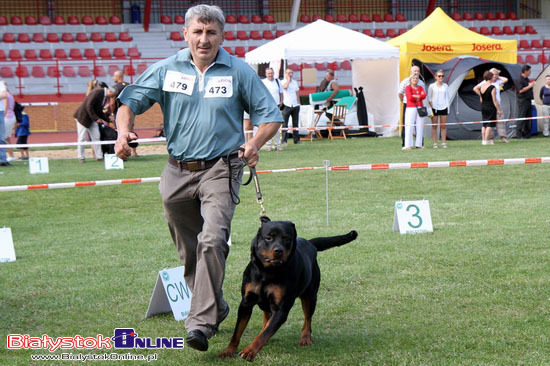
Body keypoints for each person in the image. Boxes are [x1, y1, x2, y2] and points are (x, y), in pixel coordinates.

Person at [114, 4, 282, 352]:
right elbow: (128, 101)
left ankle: (200, 323)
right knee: (190, 248)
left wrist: (254, 142)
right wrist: (123, 132)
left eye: (211, 33)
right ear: (185, 34)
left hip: (222, 168)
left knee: (212, 239)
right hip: (176, 171)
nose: (204, 39)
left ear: (222, 35)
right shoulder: (167, 69)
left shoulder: (239, 72)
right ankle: (217, 305)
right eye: (198, 32)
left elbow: (270, 117)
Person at [74, 84, 117, 163]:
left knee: (96, 137)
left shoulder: (104, 96)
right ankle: (81, 157)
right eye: (112, 95)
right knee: (82, 138)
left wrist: (108, 120)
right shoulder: (97, 92)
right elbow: (89, 106)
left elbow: (99, 110)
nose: (111, 98)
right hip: (83, 118)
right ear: (109, 91)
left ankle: (99, 156)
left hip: (92, 119)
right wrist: (96, 119)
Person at [474, 68, 509, 143]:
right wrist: (482, 96)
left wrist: (498, 76)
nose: (495, 76)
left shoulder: (498, 82)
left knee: (500, 122)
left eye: (496, 74)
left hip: (495, 105)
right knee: (489, 124)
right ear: (489, 75)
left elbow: (506, 79)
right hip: (491, 105)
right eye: (493, 74)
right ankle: (490, 139)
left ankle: (503, 137)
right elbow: (475, 88)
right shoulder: (486, 83)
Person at [399, 65, 426, 147]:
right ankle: (406, 144)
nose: (416, 73)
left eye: (417, 71)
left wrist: (416, 97)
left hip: (419, 106)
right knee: (407, 125)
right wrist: (417, 97)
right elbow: (403, 95)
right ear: (411, 72)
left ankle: (419, 144)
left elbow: (424, 95)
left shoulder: (421, 83)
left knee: (420, 125)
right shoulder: (405, 83)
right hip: (408, 105)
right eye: (414, 71)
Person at [261, 67, 283, 150]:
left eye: (271, 73)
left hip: (276, 106)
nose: (270, 75)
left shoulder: (277, 81)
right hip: (267, 107)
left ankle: (277, 144)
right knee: (267, 126)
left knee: (277, 126)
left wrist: (281, 101)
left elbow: (281, 92)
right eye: (269, 73)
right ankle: (268, 144)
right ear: (266, 74)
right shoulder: (263, 82)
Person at [427, 70, 449, 148]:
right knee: (434, 126)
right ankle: (435, 143)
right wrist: (432, 105)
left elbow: (447, 97)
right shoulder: (431, 86)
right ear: (436, 77)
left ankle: (443, 143)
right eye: (439, 76)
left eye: (442, 76)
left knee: (443, 126)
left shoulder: (445, 86)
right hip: (434, 108)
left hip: (444, 107)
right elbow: (429, 97)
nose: (441, 77)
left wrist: (447, 106)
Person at [479, 70, 502, 145]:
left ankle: (483, 140)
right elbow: (495, 100)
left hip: (483, 106)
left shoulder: (482, 86)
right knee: (490, 124)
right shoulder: (492, 87)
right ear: (491, 77)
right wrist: (499, 110)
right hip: (490, 106)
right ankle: (486, 140)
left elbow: (481, 97)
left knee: (484, 124)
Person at [516, 64, 534, 139]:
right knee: (521, 117)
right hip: (522, 101)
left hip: (528, 100)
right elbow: (520, 90)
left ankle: (527, 134)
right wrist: (529, 86)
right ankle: (519, 134)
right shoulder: (520, 79)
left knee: (528, 118)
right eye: (529, 70)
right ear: (525, 71)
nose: (530, 72)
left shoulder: (527, 79)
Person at [2, 81, 17, 161]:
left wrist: (2, 117)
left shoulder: (6, 95)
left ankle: (9, 156)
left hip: (7, 117)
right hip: (11, 117)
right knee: (6, 138)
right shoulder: (10, 94)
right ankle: (10, 155)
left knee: (4, 138)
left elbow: (5, 107)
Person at [0, 80, 9, 166]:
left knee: (1, 138)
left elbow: (3, 94)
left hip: (0, 112)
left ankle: (3, 160)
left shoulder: (0, 83)